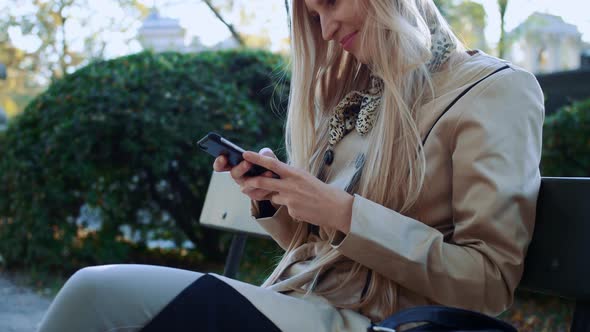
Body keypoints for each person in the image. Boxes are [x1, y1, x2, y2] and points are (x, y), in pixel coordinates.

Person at [37, 0, 544, 331]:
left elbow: (488, 284)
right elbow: (322, 254)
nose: (325, 30)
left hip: (372, 324)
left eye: (329, 4)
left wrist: (342, 212)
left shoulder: (496, 91)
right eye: (312, 15)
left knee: (96, 292)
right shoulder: (365, 94)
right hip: (299, 306)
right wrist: (275, 200)